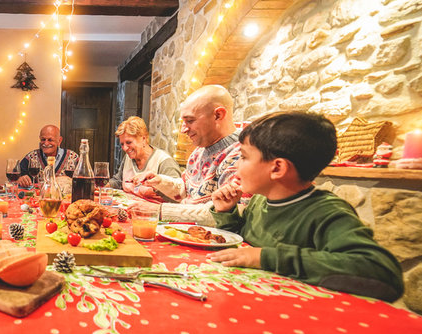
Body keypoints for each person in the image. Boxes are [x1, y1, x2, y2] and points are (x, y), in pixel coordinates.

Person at [207, 112, 403, 301]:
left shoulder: (327, 213)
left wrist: (265, 257)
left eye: (243, 157)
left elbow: (382, 272)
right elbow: (243, 247)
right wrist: (227, 213)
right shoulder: (260, 200)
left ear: (278, 168)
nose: (237, 166)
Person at [130, 85, 241, 224]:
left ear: (218, 115)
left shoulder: (242, 156)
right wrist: (160, 181)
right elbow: (187, 190)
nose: (183, 129)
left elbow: (222, 213)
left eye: (190, 120)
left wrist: (159, 210)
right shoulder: (199, 150)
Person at [107, 116, 181, 200]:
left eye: (129, 142)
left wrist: (157, 187)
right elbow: (118, 181)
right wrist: (99, 186)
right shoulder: (128, 157)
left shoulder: (164, 162)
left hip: (153, 211)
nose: (125, 148)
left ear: (143, 139)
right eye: (122, 144)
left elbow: (177, 197)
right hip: (129, 208)